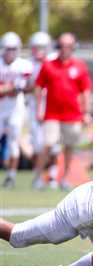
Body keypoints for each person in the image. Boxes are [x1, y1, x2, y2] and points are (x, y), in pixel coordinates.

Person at [32, 32, 92, 190]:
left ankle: (64, 178)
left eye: (69, 46)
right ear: (58, 46)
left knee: (69, 147)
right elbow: (38, 87)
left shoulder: (79, 66)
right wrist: (39, 109)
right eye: (63, 45)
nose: (65, 49)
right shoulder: (48, 64)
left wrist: (87, 112)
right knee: (48, 144)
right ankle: (38, 177)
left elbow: (86, 91)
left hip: (73, 115)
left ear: (73, 47)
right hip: (52, 114)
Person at [26, 31, 60, 188]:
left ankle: (52, 176)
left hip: (53, 107)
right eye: (36, 47)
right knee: (38, 145)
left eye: (42, 47)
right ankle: (39, 176)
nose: (39, 51)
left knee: (53, 145)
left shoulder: (54, 61)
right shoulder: (27, 64)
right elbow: (26, 87)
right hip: (34, 108)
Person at [0, 32, 33, 188]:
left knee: (14, 142)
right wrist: (10, 88)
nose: (10, 52)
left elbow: (22, 87)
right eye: (8, 48)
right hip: (1, 108)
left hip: (15, 108)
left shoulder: (23, 65)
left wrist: (8, 88)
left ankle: (11, 176)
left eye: (13, 49)